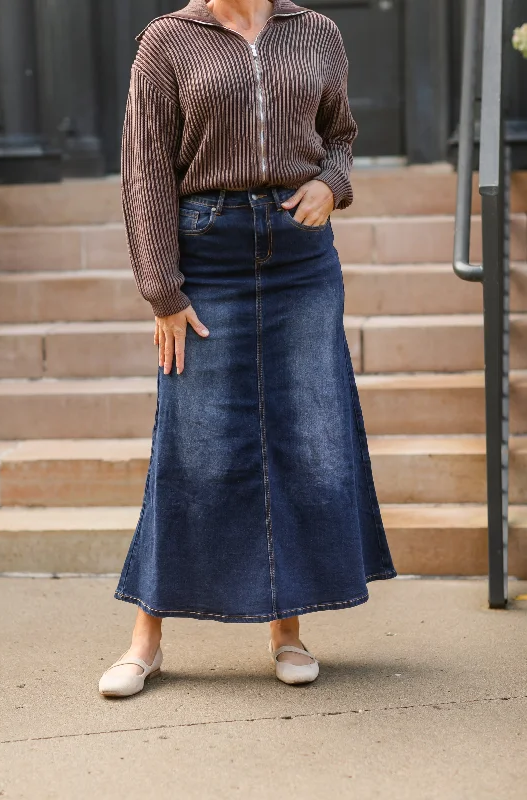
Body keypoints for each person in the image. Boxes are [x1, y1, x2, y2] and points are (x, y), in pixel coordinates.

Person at [99, 0, 396, 697]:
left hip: (300, 259)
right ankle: (146, 640)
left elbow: (340, 136)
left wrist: (332, 183)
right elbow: (143, 171)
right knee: (192, 444)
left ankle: (287, 632)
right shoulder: (168, 41)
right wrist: (161, 290)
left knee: (303, 439)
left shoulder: (317, 32)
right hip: (208, 255)